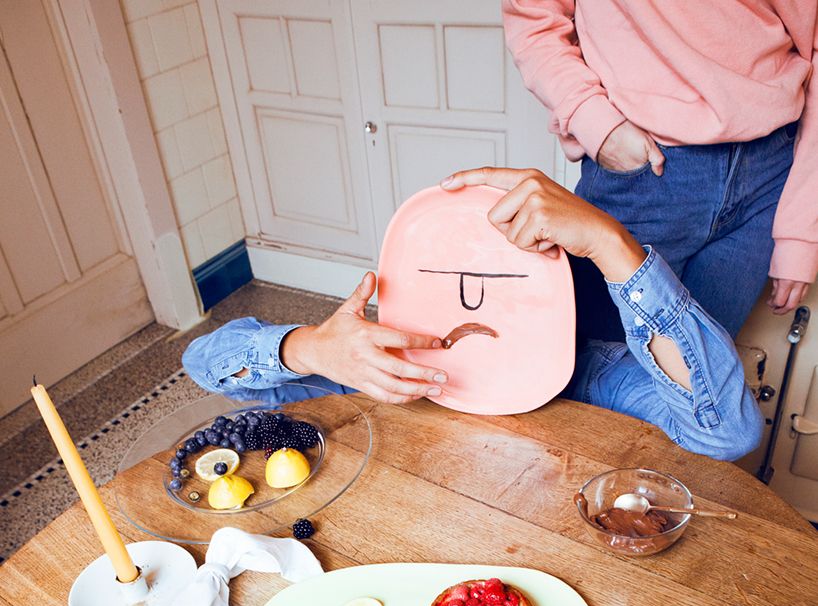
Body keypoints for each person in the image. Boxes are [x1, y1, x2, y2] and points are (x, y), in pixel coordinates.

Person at [182, 167, 763, 462]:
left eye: (501, 284)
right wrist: (310, 348)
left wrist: (612, 246)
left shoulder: (594, 376)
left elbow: (726, 433)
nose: (472, 301)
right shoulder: (380, 366)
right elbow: (206, 364)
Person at [502, 1, 817, 338]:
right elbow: (534, 18)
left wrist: (801, 233)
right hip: (644, 173)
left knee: (702, 364)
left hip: (768, 175)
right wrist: (593, 120)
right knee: (599, 357)